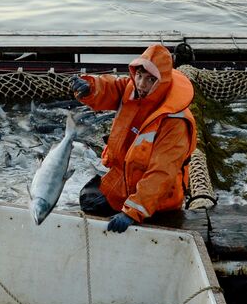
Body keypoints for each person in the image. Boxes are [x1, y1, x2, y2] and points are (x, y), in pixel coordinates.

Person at [67, 44, 197, 233]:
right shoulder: (132, 87)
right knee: (88, 200)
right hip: (123, 180)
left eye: (151, 79)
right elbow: (110, 87)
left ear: (163, 82)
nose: (142, 84)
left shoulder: (175, 122)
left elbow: (161, 174)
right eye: (139, 76)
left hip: (159, 199)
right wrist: (89, 88)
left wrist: (133, 212)